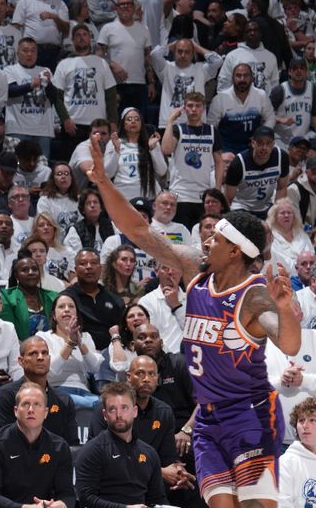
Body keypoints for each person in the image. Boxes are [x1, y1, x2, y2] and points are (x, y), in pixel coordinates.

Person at [86, 131, 302, 507]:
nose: (206, 242)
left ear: (235, 252)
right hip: (208, 421)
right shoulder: (195, 270)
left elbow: (289, 344)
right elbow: (138, 230)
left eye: (216, 239)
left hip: (249, 414)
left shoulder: (254, 295)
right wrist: (104, 184)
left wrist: (284, 309)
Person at [0, 382, 76, 508]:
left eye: (37, 404)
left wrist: (61, 504)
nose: (31, 410)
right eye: (25, 404)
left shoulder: (59, 447)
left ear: (45, 412)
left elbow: (67, 493)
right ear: (16, 411)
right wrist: (24, 507)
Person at [76, 381, 168, 507]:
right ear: (104, 415)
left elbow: (158, 499)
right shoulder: (92, 450)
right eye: (112, 409)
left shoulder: (150, 453)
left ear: (135, 411)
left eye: (124, 408)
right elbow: (86, 498)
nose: (119, 415)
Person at [0, 336, 79, 445]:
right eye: (33, 353)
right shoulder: (7, 395)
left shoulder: (64, 400)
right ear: (21, 361)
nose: (40, 357)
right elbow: (0, 440)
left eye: (45, 353)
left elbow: (72, 446)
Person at [161, 92, 224, 230]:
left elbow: (219, 162)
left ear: (203, 108)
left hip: (202, 195)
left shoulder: (212, 131)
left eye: (197, 106)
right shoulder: (178, 129)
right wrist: (170, 121)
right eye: (190, 106)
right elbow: (166, 149)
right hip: (180, 194)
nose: (194, 109)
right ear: (184, 108)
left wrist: (217, 190)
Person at [224, 125, 289, 218]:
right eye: (260, 143)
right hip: (241, 206)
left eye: (268, 143)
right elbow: (228, 198)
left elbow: (282, 188)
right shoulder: (239, 163)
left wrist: (278, 212)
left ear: (273, 144)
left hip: (266, 207)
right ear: (253, 143)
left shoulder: (281, 157)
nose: (264, 147)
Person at [0, 256, 58, 339]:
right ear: (16, 275)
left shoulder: (53, 297)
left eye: (34, 269)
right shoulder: (7, 298)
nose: (31, 272)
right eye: (25, 270)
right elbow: (7, 333)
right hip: (19, 349)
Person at [279, 397, 316, 508]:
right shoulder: (286, 462)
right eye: (301, 420)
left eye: (312, 420)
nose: (305, 426)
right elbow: (282, 504)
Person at [267, 198, 312, 273]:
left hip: (306, 274)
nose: (286, 215)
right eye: (282, 213)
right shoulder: (270, 236)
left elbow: (311, 254)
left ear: (294, 216)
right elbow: (274, 260)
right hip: (281, 275)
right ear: (275, 217)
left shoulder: (302, 235)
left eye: (289, 212)